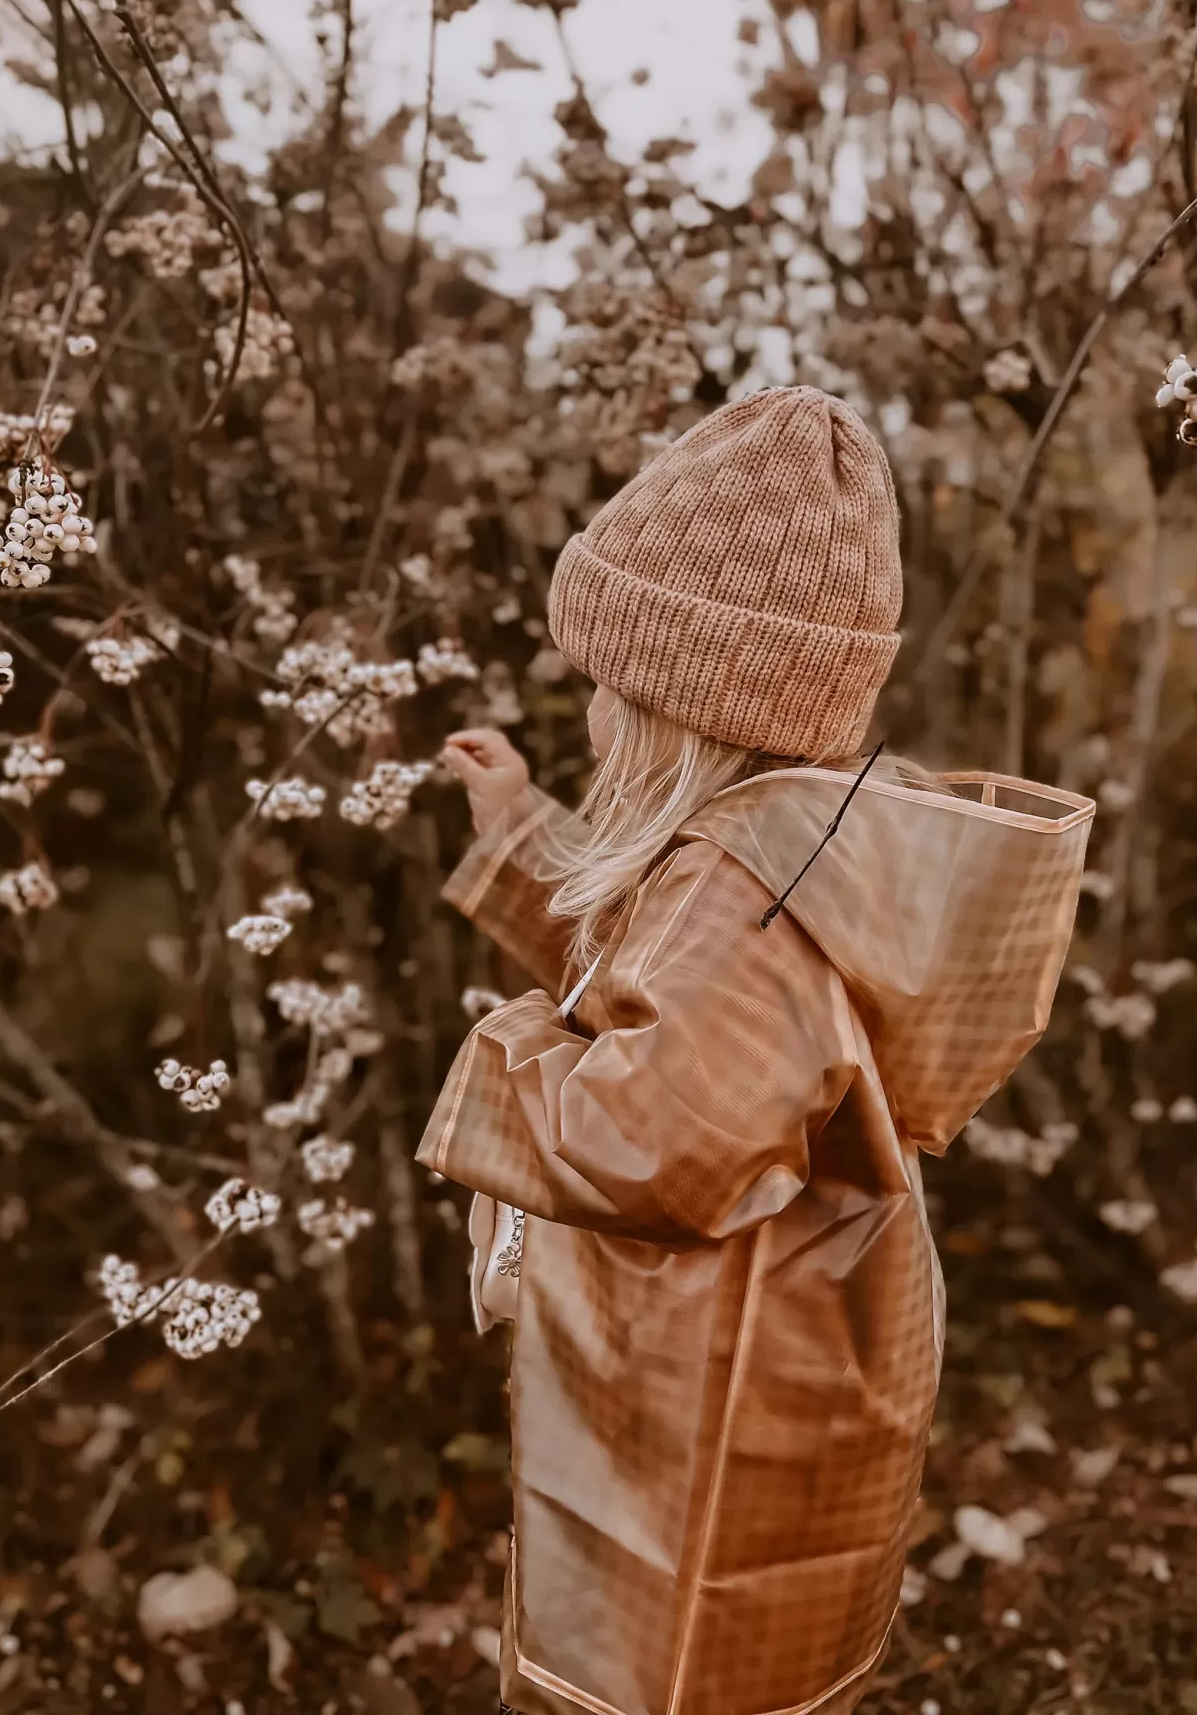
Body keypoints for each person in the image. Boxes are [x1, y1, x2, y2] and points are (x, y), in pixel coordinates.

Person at [421, 386, 1095, 1715]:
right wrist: (519, 831)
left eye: (608, 689)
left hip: (726, 1390)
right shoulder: (789, 848)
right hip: (778, 1339)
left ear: (685, 706)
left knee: (674, 1667)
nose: (592, 715)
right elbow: (657, 991)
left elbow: (649, 1136)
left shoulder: (742, 900)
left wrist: (500, 1045)